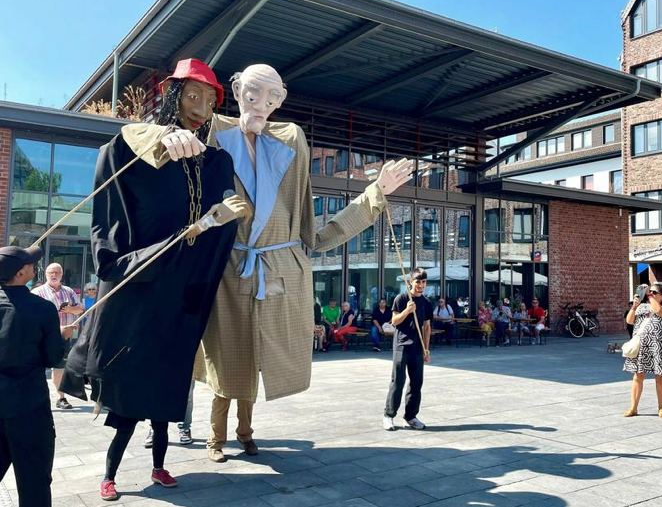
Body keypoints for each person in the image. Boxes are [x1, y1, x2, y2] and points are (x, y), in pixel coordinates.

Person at [191, 63, 414, 463]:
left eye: (272, 98)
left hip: (278, 273)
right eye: (254, 95)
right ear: (237, 91)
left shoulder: (291, 141)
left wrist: (376, 191)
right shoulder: (210, 131)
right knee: (227, 363)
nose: (262, 105)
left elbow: (318, 234)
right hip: (229, 272)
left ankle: (246, 432)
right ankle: (214, 438)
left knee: (256, 362)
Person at [60, 58, 249, 500]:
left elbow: (227, 215)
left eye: (209, 98)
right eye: (192, 94)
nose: (200, 105)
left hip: (182, 293)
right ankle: (109, 476)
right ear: (173, 95)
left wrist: (224, 218)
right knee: (128, 399)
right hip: (141, 285)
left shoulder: (217, 161)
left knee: (167, 393)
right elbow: (115, 217)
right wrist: (159, 139)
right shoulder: (132, 147)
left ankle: (160, 466)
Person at [0, 245, 73, 507]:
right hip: (27, 406)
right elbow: (52, 358)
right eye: (31, 264)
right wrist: (62, 336)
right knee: (34, 483)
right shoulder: (41, 308)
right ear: (21, 273)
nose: (35, 267)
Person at [31, 263, 84, 410]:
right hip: (42, 336)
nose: (54, 275)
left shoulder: (69, 291)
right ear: (46, 274)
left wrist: (70, 309)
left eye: (57, 273)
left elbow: (80, 309)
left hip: (64, 336)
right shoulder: (37, 292)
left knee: (59, 366)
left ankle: (61, 398)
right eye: (51, 272)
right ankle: (36, 397)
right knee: (38, 366)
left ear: (61, 275)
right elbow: (31, 314)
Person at [384, 267, 431, 431]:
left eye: (423, 282)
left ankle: (410, 416)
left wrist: (427, 349)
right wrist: (407, 310)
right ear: (411, 282)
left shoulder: (426, 302)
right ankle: (389, 416)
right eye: (418, 281)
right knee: (398, 381)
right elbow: (394, 321)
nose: (421, 285)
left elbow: (426, 327)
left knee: (417, 382)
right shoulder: (401, 298)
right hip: (401, 346)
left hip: (418, 348)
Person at [623, 283, 662, 418]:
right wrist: (634, 306)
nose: (650, 294)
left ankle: (661, 408)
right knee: (638, 376)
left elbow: (657, 311)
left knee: (660, 377)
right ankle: (633, 408)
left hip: (658, 346)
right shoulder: (642, 307)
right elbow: (629, 320)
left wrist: (649, 297)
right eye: (649, 292)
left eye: (654, 292)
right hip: (641, 345)